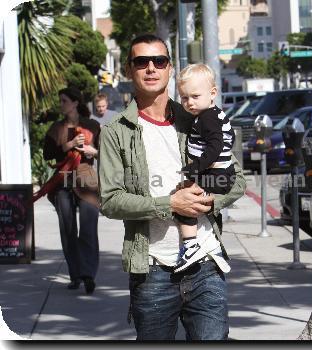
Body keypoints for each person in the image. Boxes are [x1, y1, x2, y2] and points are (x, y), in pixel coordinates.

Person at [98, 34, 246, 340]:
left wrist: (205, 200)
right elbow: (110, 200)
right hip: (153, 270)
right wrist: (170, 204)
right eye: (141, 61)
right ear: (129, 70)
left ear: (170, 69)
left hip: (205, 261)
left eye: (159, 61)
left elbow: (237, 180)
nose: (151, 68)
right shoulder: (115, 132)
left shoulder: (198, 118)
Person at [174, 63, 236, 273]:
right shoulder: (216, 115)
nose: (189, 102)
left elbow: (215, 147)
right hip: (222, 174)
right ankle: (213, 248)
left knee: (183, 199)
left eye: (195, 96)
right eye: (184, 98)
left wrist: (195, 168)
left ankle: (191, 246)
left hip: (216, 175)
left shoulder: (207, 118)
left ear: (212, 93)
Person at [43, 87, 100, 294]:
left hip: (87, 180)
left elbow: (105, 151)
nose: (61, 104)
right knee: (67, 230)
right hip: (62, 181)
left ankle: (88, 274)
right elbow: (47, 154)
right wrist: (68, 145)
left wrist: (92, 150)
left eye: (65, 100)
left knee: (88, 227)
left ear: (76, 103)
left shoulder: (92, 125)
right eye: (60, 101)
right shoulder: (55, 128)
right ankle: (75, 275)